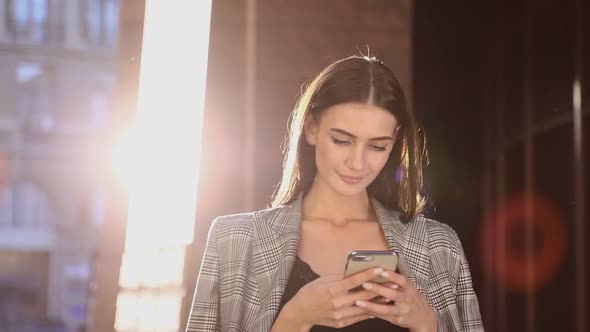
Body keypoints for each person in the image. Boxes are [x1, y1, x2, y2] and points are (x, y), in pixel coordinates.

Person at [186, 55, 484, 332]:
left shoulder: (439, 247)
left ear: (395, 142)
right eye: (342, 140)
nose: (357, 163)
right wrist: (294, 319)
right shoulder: (235, 240)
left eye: (377, 146)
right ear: (312, 128)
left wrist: (428, 323)